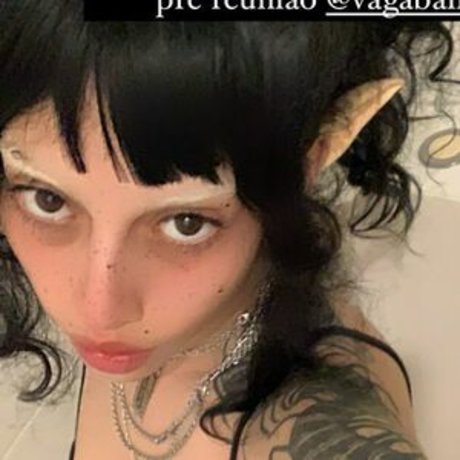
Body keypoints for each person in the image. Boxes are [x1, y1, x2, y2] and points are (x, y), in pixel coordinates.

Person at [0, 4, 456, 459]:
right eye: (47, 200)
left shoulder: (320, 430)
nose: (98, 312)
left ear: (310, 159)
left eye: (186, 223)